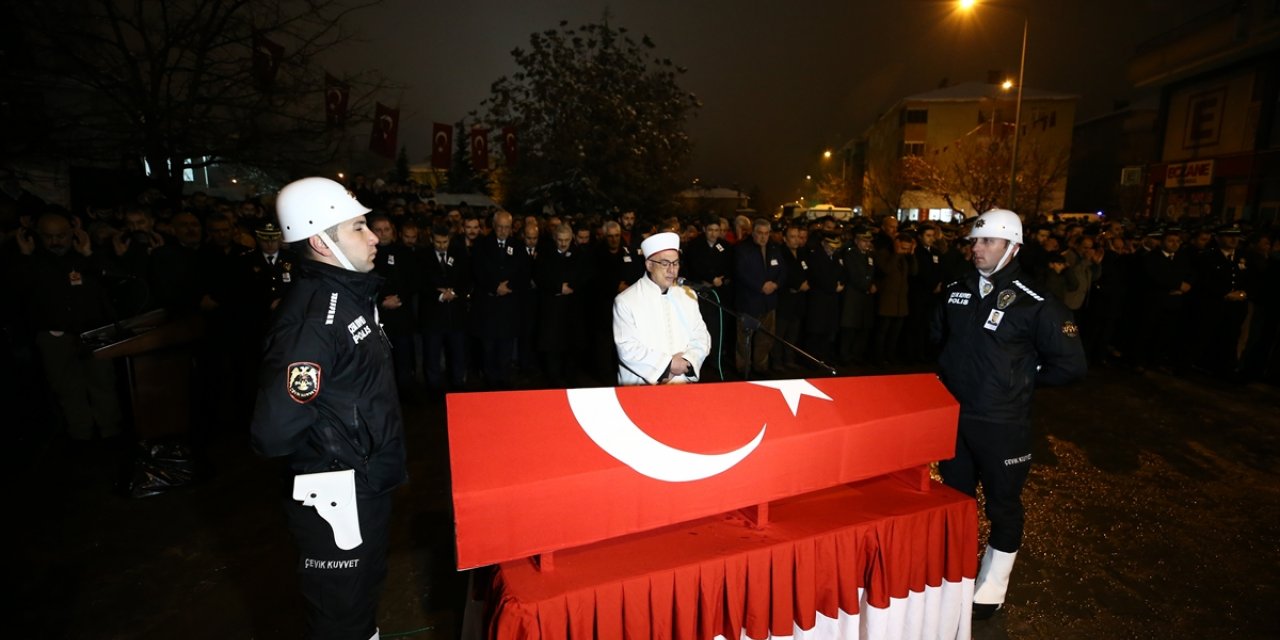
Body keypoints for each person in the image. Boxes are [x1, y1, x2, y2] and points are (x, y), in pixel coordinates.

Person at [250, 177, 406, 640]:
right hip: (338, 494)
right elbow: (275, 430)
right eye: (359, 227)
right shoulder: (314, 319)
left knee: (360, 598)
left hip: (367, 480)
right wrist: (340, 456)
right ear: (321, 241)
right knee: (340, 614)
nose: (374, 235)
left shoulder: (349, 299)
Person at [932, 208, 1086, 620]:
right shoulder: (955, 290)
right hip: (956, 419)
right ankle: (953, 574)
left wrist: (1021, 378)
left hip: (1003, 423)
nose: (976, 249)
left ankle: (992, 586)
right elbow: (938, 341)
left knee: (1003, 505)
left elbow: (1071, 365)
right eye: (973, 241)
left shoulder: (1036, 302)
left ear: (1012, 247)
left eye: (986, 242)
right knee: (955, 499)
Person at [613, 231, 710, 385]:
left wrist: (687, 361)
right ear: (649, 265)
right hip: (642, 388)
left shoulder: (687, 295)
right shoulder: (626, 301)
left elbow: (701, 336)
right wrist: (668, 366)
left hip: (682, 383)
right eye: (665, 263)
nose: (672, 270)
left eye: (676, 263)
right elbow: (628, 349)